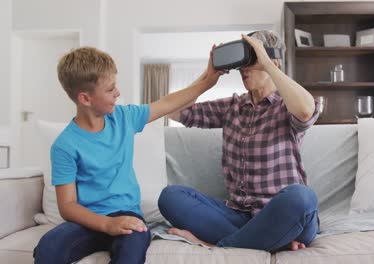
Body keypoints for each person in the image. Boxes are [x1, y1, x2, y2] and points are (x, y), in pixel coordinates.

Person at [33, 46, 223, 264]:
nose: (118, 93)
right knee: (48, 247)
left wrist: (207, 82)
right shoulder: (64, 145)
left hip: (126, 216)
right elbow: (67, 206)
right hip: (87, 221)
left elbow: (167, 103)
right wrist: (106, 224)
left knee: (133, 249)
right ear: (85, 99)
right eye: (110, 89)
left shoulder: (123, 118)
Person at [158, 30, 320, 252]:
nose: (243, 68)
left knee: (302, 198)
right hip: (238, 216)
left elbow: (305, 109)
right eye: (242, 63)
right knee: (171, 197)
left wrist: (268, 63)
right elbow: (174, 111)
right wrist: (207, 79)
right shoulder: (232, 107)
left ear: (271, 61)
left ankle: (216, 246)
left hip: (284, 213)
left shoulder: (286, 106)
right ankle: (270, 240)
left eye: (251, 60)